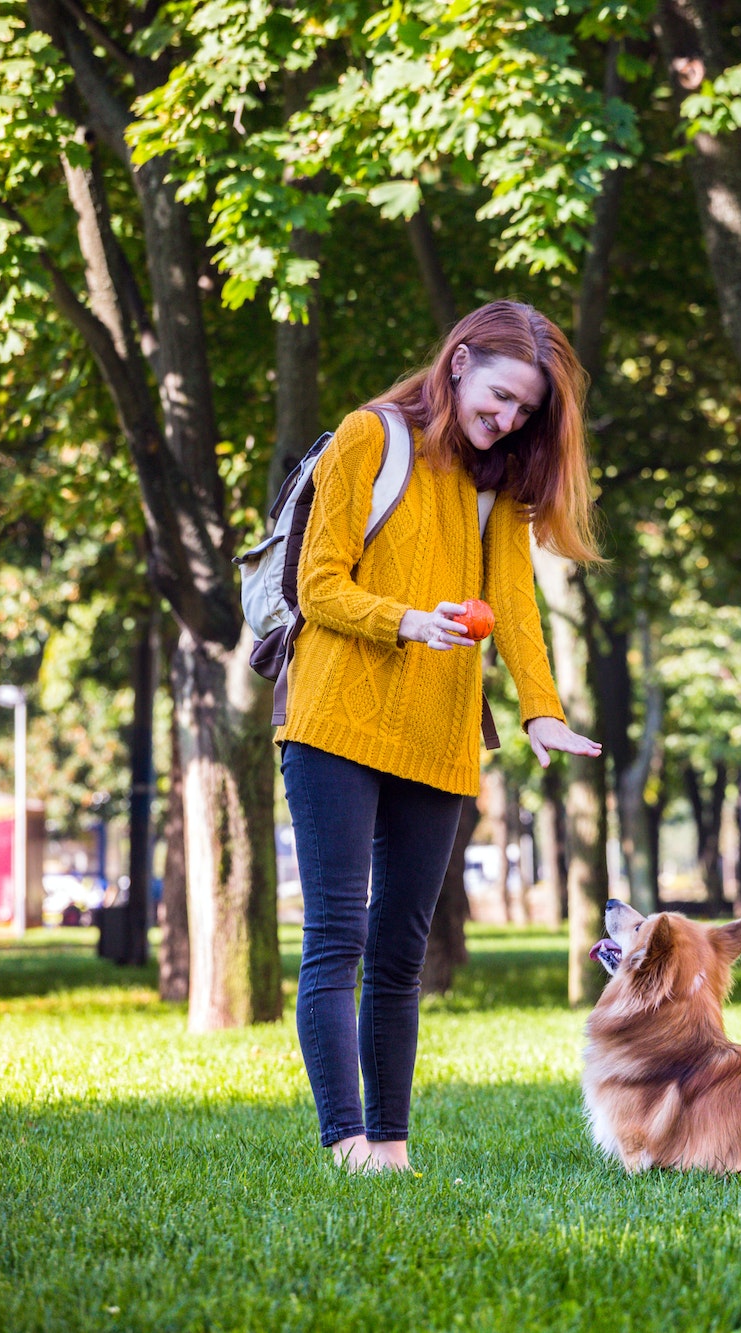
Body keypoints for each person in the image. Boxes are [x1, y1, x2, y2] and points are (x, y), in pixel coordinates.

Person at [277, 300, 602, 1173]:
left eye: (524, 414)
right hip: (337, 718)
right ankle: (345, 1142)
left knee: (400, 950)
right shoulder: (368, 437)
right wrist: (409, 621)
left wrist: (542, 711)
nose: (506, 423)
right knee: (338, 937)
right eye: (499, 399)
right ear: (458, 362)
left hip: (440, 729)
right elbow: (318, 586)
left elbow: (518, 605)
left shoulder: (493, 483)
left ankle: (391, 1146)